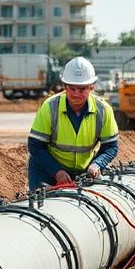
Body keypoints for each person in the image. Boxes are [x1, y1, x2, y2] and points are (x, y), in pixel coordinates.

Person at [27, 56, 119, 190]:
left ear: (91, 87)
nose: (76, 94)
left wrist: (97, 164)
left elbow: (110, 146)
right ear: (65, 86)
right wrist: (56, 170)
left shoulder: (103, 110)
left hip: (84, 172)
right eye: (72, 88)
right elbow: (35, 145)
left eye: (82, 89)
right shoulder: (50, 107)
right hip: (47, 170)